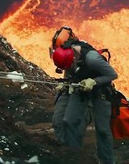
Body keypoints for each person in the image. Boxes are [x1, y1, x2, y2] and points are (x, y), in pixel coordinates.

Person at [50, 26, 118, 164]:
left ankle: (107, 161)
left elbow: (112, 75)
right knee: (68, 120)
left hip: (100, 91)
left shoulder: (92, 58)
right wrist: (66, 84)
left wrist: (93, 81)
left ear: (73, 57)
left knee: (103, 130)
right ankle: (74, 156)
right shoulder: (66, 54)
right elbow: (69, 72)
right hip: (81, 87)